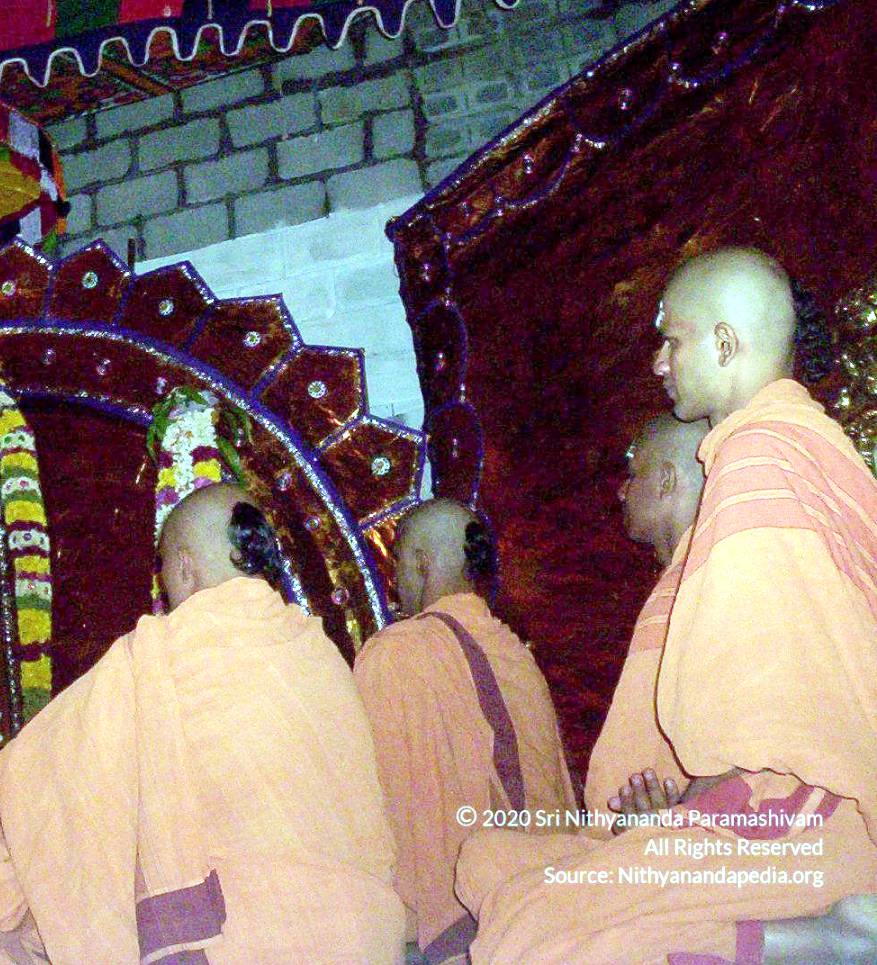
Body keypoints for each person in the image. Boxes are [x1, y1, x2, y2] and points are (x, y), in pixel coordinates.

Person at [457, 247, 877, 962]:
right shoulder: (809, 450)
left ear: (724, 343)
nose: (658, 363)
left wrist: (684, 814)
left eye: (671, 340)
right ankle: (793, 935)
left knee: (534, 925)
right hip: (776, 804)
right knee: (497, 863)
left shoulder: (758, 457)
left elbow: (770, 713)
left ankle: (813, 936)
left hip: (807, 818)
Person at [0, 483, 405, 965]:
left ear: (185, 568)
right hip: (371, 940)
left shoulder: (158, 653)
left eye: (164, 570)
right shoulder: (323, 653)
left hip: (241, 942)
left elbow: (10, 786)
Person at [352, 498, 575, 964]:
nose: (394, 584)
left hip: (448, 927)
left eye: (398, 564)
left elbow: (370, 805)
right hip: (548, 910)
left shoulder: (394, 652)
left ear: (422, 562)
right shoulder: (517, 653)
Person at [580, 413, 705, 822]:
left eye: (634, 475)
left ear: (666, 480)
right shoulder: (677, 582)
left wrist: (679, 814)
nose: (621, 491)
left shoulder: (708, 581)